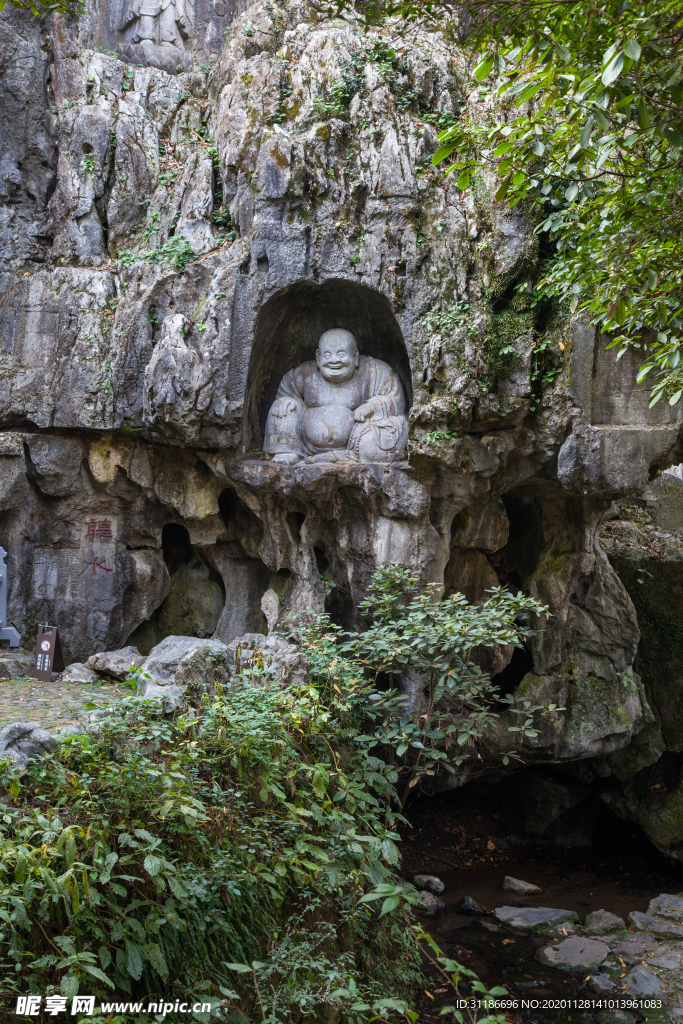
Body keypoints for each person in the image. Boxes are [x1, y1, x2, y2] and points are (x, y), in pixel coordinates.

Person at [264, 329, 408, 464]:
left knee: (388, 430)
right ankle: (287, 452)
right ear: (318, 357)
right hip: (305, 444)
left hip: (355, 444)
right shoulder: (304, 374)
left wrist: (371, 407)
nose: (334, 360)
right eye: (327, 355)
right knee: (282, 406)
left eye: (341, 355)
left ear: (355, 356)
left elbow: (397, 400)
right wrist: (285, 402)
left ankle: (339, 456)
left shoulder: (375, 371)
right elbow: (286, 391)